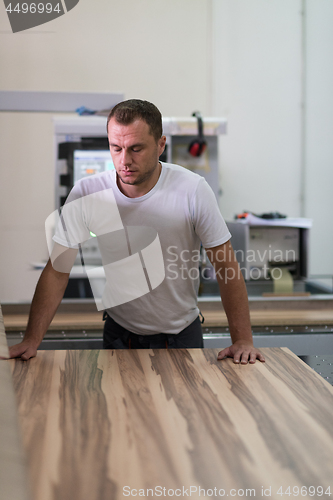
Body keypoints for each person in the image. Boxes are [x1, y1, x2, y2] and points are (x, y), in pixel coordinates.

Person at [6, 99, 265, 364]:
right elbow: (57, 271)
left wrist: (243, 340)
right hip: (119, 336)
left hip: (180, 337)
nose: (124, 160)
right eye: (116, 148)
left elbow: (226, 268)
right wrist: (31, 340)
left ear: (161, 144)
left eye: (136, 149)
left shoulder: (192, 190)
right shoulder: (88, 193)